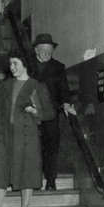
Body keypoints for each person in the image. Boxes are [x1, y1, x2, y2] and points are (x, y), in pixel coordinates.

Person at [0, 51, 55, 207]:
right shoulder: (4, 86)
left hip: (27, 137)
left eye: (15, 63)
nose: (12, 67)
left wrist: (35, 112)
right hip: (5, 136)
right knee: (0, 175)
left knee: (27, 175)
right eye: (10, 64)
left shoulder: (37, 86)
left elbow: (50, 113)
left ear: (25, 64)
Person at [31, 33, 73, 191]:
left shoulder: (58, 67)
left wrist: (67, 104)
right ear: (36, 49)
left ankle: (50, 180)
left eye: (49, 50)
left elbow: (64, 90)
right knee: (34, 147)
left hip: (51, 113)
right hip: (31, 112)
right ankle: (33, 180)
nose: (47, 53)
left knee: (52, 146)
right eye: (43, 49)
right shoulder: (26, 65)